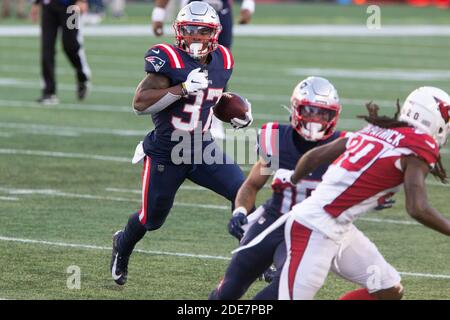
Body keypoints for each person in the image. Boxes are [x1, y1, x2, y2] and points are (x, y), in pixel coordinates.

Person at [238, 86, 450, 300]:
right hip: (316, 228)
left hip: (340, 227)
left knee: (388, 290)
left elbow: (313, 157)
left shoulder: (379, 129)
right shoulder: (420, 145)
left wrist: (293, 180)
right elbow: (417, 207)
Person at [110, 1, 253, 286]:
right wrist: (182, 88)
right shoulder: (167, 58)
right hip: (166, 152)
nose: (196, 36)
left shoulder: (224, 58)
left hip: (202, 147)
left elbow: (213, 99)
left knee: (243, 192)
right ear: (179, 32)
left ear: (215, 33)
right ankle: (122, 244)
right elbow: (139, 105)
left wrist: (239, 114)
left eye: (203, 30)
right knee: (151, 219)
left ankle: (253, 258)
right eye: (190, 30)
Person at [209, 77, 351, 300]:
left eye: (322, 113)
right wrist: (240, 211)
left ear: (333, 115)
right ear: (296, 109)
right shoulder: (276, 139)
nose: (315, 119)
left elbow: (362, 186)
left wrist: (377, 198)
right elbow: (253, 184)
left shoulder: (343, 148)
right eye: (310, 111)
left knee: (284, 288)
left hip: (307, 231)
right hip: (272, 222)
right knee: (228, 291)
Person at [151, 0, 255, 140]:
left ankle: (214, 120)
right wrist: (159, 13)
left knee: (219, 62)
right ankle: (179, 114)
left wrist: (248, 5)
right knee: (186, 61)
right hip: (190, 11)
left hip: (219, 11)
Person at [31, 0, 91, 105]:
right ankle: (49, 92)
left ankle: (82, 77)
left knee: (71, 46)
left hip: (71, 7)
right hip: (48, 6)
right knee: (47, 48)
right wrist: (36, 3)